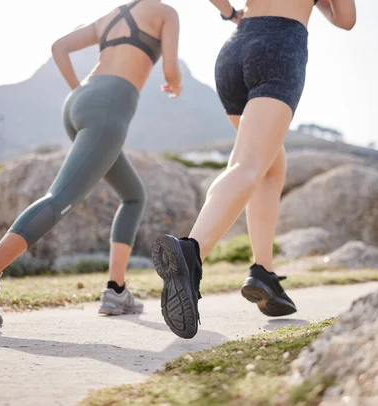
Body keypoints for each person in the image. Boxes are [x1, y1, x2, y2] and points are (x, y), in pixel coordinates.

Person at [0, 0, 182, 326]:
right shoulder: (166, 13)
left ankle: (116, 290)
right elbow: (171, 70)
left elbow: (59, 47)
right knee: (61, 199)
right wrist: (175, 82)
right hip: (110, 106)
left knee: (133, 195)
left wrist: (82, 91)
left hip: (80, 100)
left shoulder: (111, 16)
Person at [151, 0, 356, 339]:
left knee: (270, 166)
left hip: (235, 48)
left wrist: (231, 13)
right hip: (279, 45)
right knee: (249, 163)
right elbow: (345, 20)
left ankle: (263, 273)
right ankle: (190, 252)